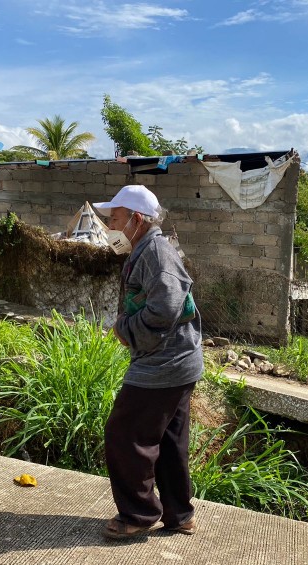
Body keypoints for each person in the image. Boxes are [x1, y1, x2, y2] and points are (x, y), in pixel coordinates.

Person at [93, 185, 204, 540]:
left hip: (163, 364)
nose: (110, 226)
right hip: (178, 361)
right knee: (169, 441)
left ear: (136, 220)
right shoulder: (146, 249)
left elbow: (167, 307)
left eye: (114, 218)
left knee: (124, 435)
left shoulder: (155, 252)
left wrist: (126, 329)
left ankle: (139, 513)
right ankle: (179, 514)